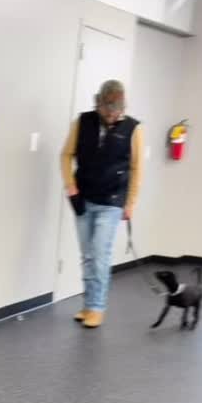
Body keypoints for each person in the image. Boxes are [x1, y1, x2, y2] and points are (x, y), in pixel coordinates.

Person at [60, 79, 144, 327]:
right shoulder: (83, 121)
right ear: (98, 104)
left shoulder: (133, 128)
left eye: (114, 112)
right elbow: (66, 154)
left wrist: (131, 202)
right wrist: (70, 184)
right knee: (87, 255)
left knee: (99, 254)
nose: (110, 116)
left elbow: (137, 168)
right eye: (105, 111)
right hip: (83, 198)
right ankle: (88, 306)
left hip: (112, 201)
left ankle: (97, 307)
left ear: (122, 108)